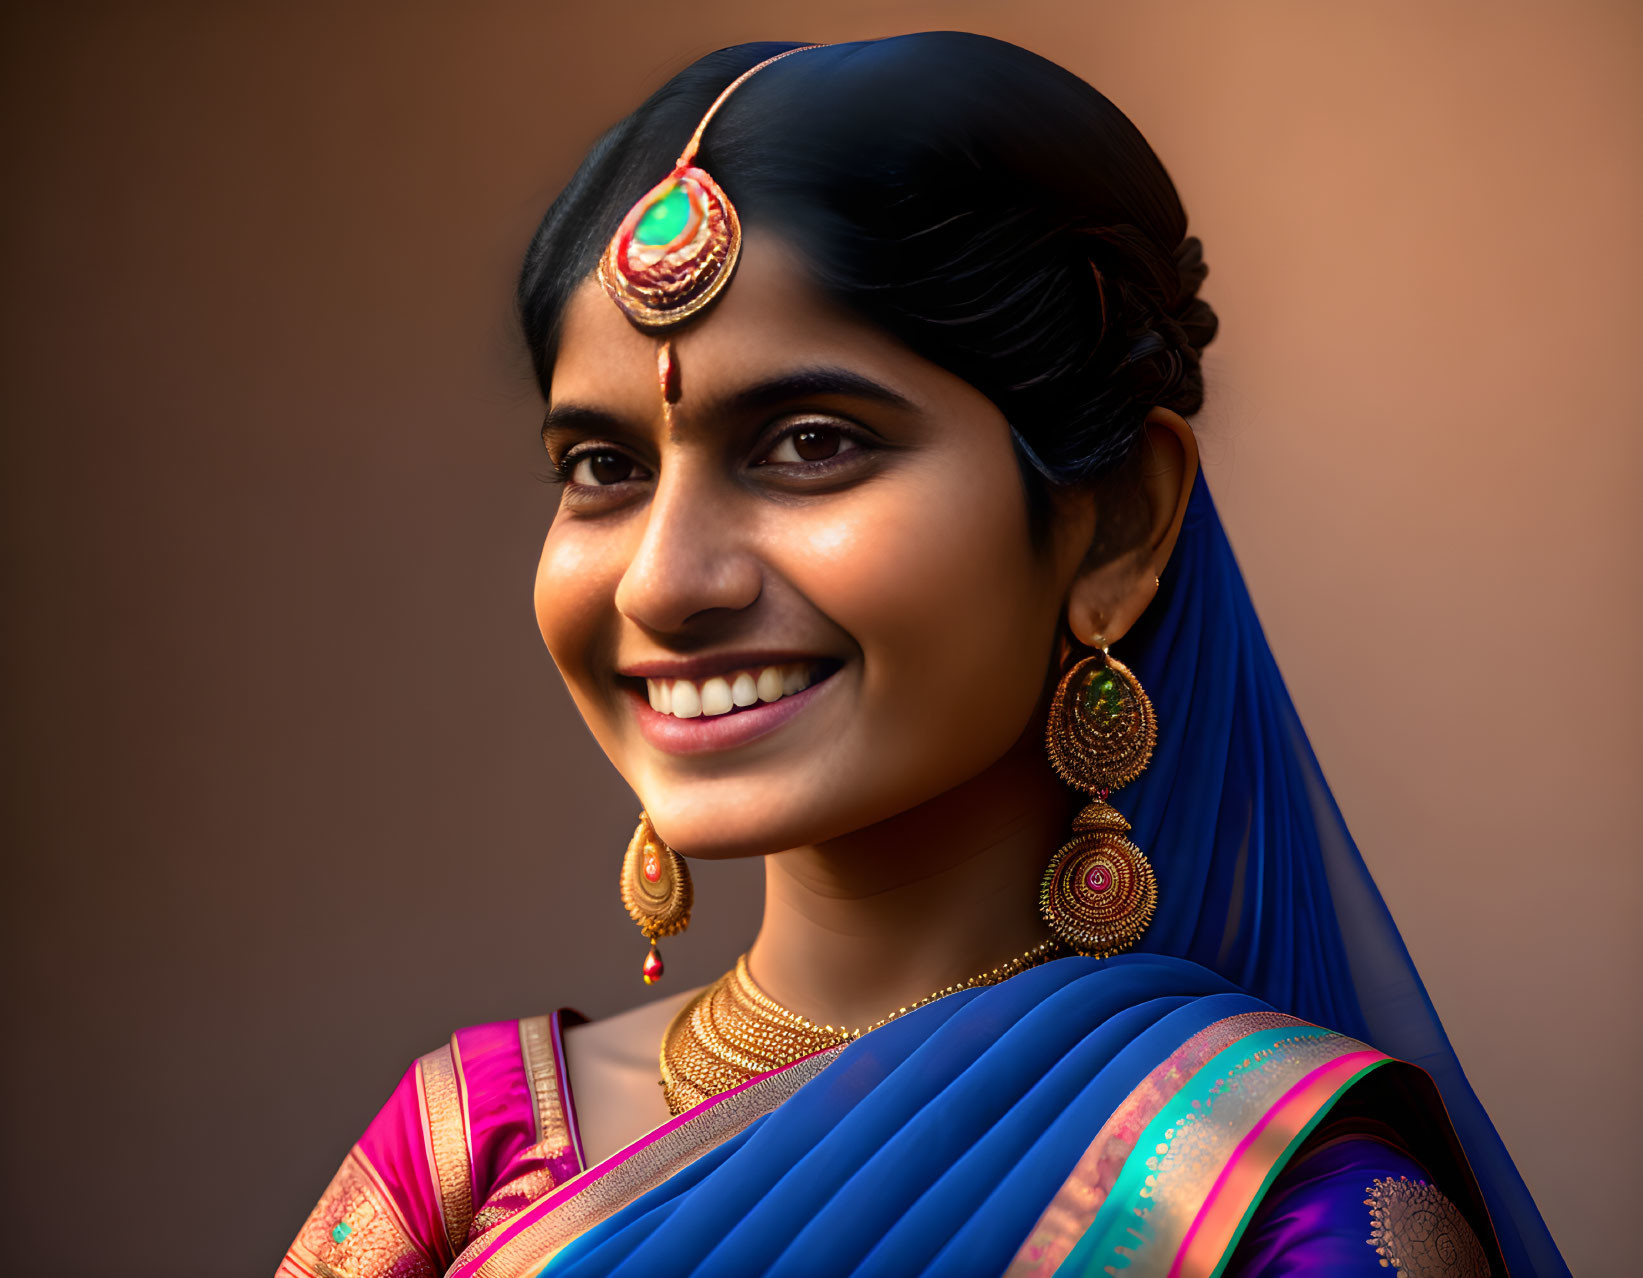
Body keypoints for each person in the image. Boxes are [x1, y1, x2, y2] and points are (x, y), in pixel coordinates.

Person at [278, 33, 1567, 1277]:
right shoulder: (474, 1145)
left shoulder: (1259, 1206)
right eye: (603, 468)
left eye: (811, 444)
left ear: (1113, 522)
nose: (667, 584)